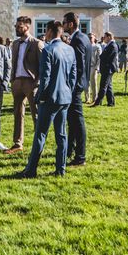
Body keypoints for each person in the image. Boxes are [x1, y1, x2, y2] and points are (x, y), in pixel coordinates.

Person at [19, 21, 76, 178]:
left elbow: (45, 76)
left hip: (50, 98)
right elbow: (73, 76)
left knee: (40, 135)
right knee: (61, 135)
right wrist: (68, 92)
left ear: (50, 31)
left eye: (47, 30)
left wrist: (40, 96)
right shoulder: (70, 50)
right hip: (65, 97)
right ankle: (60, 169)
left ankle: (31, 170)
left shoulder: (48, 50)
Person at [5, 16, 44, 155]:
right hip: (17, 82)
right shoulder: (15, 44)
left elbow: (43, 66)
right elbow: (13, 62)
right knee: (17, 113)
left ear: (27, 27)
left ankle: (39, 144)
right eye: (16, 26)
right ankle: (17, 143)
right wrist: (12, 79)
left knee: (36, 114)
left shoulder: (37, 43)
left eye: (20, 27)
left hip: (31, 83)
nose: (17, 28)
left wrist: (37, 82)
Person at [63, 12, 91, 167]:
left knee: (77, 121)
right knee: (72, 120)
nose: (63, 25)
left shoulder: (78, 40)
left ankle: (80, 156)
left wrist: (71, 85)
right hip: (79, 84)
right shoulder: (83, 37)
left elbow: (79, 66)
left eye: (64, 22)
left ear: (71, 24)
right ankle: (70, 150)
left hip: (75, 85)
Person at [92, 31, 118, 107]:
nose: (104, 38)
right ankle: (111, 102)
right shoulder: (110, 45)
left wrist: (101, 56)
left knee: (103, 86)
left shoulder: (112, 45)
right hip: (107, 68)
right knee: (108, 86)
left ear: (109, 37)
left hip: (108, 68)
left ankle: (97, 103)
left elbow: (106, 57)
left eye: (105, 37)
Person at [85, 33, 101, 104]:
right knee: (86, 84)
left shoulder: (97, 47)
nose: (89, 38)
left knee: (93, 83)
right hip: (86, 67)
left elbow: (99, 58)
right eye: (88, 37)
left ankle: (94, 98)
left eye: (91, 37)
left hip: (93, 67)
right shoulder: (86, 46)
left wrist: (97, 68)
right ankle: (87, 98)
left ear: (94, 38)